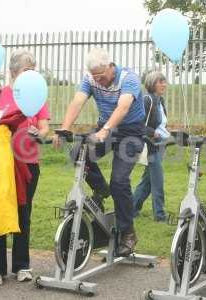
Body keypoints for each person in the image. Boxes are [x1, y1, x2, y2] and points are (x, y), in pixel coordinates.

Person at [53, 47, 145, 257]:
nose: (99, 81)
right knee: (77, 152)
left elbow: (122, 108)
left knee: (120, 181)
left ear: (111, 66)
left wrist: (105, 131)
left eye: (102, 76)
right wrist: (65, 128)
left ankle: (128, 233)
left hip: (130, 132)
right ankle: (102, 190)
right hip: (105, 127)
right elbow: (77, 101)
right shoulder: (90, 78)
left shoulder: (129, 78)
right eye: (95, 77)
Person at [0, 49, 50, 286]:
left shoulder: (37, 95)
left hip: (28, 163)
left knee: (23, 214)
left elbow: (45, 129)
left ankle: (22, 266)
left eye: (33, 69)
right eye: (27, 69)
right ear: (13, 71)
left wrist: (40, 133)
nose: (31, 74)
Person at [133, 71, 170, 222]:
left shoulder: (160, 101)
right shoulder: (147, 100)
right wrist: (152, 132)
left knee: (147, 182)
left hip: (160, 145)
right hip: (151, 145)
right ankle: (160, 216)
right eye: (159, 82)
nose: (163, 84)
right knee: (157, 182)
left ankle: (132, 208)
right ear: (151, 84)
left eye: (164, 81)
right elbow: (137, 124)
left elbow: (161, 124)